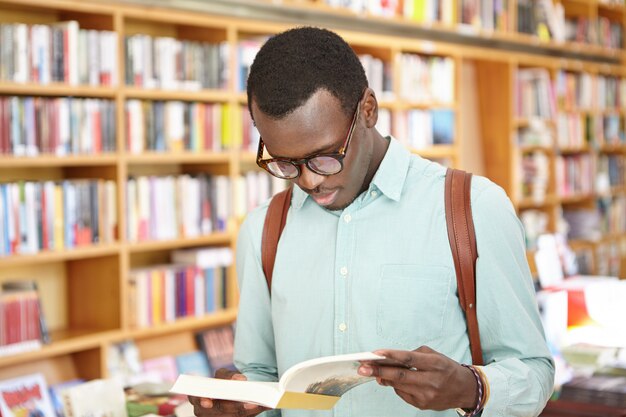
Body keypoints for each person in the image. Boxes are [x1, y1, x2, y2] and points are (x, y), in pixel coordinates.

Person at [188, 26, 554, 417]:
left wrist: (471, 388)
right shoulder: (263, 231)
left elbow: (535, 372)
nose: (310, 180)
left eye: (325, 156)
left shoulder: (474, 209)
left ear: (368, 110)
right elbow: (261, 377)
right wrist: (237, 402)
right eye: (285, 163)